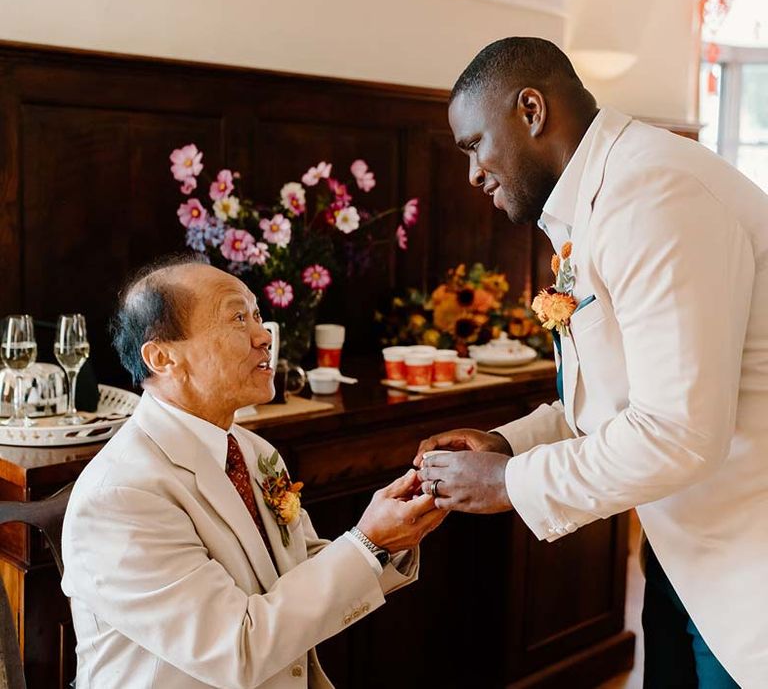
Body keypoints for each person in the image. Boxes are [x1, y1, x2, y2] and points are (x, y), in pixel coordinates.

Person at [415, 37, 768, 687]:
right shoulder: (601, 199)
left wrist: (509, 483)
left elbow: (678, 432)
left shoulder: (654, 195)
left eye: (474, 145)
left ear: (530, 110)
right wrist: (507, 444)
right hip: (683, 549)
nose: (472, 174)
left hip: (749, 556)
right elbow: (618, 395)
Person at [62, 256, 445, 689]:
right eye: (237, 318)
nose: (264, 336)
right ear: (163, 356)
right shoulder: (120, 496)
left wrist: (384, 542)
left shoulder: (253, 450)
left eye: (258, 315)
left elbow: (294, 572)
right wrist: (367, 541)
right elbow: (234, 649)